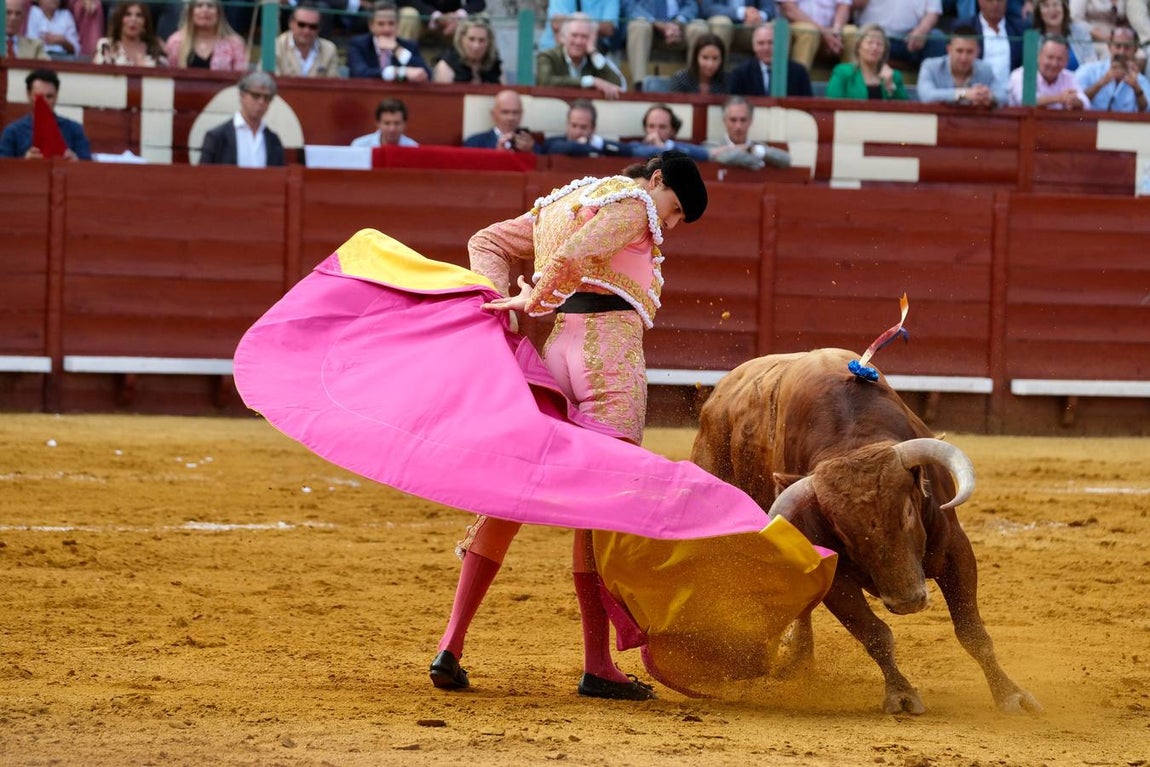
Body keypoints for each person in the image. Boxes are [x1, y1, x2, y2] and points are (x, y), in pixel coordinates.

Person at [428, 150, 709, 701]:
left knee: (512, 496)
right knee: (599, 511)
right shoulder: (634, 205)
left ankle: (451, 646)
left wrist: (498, 302)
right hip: (610, 359)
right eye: (673, 210)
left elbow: (486, 241)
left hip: (559, 349)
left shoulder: (563, 201)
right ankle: (598, 664)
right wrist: (530, 298)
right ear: (656, 181)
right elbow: (578, 256)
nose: (666, 226)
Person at [199, 71, 287, 167]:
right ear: (242, 95)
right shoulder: (217, 137)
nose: (261, 102)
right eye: (256, 95)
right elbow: (203, 177)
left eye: (267, 98)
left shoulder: (273, 140)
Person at [0, 68, 91, 160]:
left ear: (56, 96)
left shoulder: (74, 130)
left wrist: (76, 162)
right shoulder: (12, 132)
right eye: (39, 97)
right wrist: (25, 163)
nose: (44, 102)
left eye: (49, 96)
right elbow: (3, 170)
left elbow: (90, 169)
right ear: (28, 95)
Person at [535, 13, 625, 98]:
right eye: (574, 35)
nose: (578, 42)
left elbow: (618, 85)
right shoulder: (548, 56)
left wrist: (593, 52)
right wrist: (591, 81)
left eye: (584, 37)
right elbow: (545, 82)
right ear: (564, 37)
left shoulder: (593, 60)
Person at [917, 23, 1005, 105]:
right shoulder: (930, 67)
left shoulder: (986, 69)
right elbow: (926, 96)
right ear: (949, 50)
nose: (964, 58)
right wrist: (963, 94)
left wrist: (988, 96)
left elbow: (1003, 96)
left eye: (969, 52)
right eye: (959, 51)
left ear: (978, 52)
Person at [622, 0, 709, 81]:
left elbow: (691, 5)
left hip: (679, 27)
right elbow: (630, 6)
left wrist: (678, 23)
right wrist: (656, 23)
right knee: (638, 26)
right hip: (650, 27)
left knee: (699, 29)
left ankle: (696, 85)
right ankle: (639, 84)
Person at [347, 2, 431, 82]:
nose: (386, 29)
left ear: (398, 24)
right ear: (371, 26)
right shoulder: (358, 45)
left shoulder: (409, 46)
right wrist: (399, 72)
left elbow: (426, 75)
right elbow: (359, 74)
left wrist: (397, 49)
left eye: (391, 23)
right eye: (381, 24)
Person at [851, 0, 948, 69]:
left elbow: (933, 11)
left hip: (909, 39)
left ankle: (932, 91)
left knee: (937, 38)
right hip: (874, 37)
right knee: (868, 41)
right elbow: (854, 4)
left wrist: (922, 30)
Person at [728, 21, 814, 96]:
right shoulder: (741, 73)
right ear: (754, 46)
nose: (766, 48)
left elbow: (808, 105)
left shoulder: (799, 72)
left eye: (771, 42)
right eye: (761, 43)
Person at [705, 95, 791, 169]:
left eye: (743, 120)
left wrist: (752, 149)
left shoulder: (757, 147)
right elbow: (726, 157)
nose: (738, 126)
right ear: (724, 121)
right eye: (733, 120)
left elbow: (786, 159)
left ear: (750, 121)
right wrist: (751, 153)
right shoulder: (711, 145)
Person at [826, 23, 909, 99]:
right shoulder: (843, 73)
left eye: (879, 44)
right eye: (870, 42)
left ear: (884, 50)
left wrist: (889, 86)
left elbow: (906, 110)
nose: (874, 47)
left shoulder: (894, 77)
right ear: (858, 46)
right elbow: (832, 103)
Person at [1074, 26, 1150, 109]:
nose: (1121, 52)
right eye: (1118, 46)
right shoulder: (1088, 70)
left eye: (1127, 48)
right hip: (1089, 121)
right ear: (1109, 46)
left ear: (1135, 50)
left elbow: (1147, 110)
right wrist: (1102, 82)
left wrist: (1136, 88)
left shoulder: (1140, 80)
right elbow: (1074, 99)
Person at [956, 0, 1026, 89]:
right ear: (980, 1)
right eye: (990, 0)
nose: (995, 4)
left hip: (1010, 95)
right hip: (975, 95)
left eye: (1000, 1)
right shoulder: (965, 27)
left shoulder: (1019, 29)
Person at [163, 0, 248, 71]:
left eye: (210, 6)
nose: (205, 10)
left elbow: (241, 79)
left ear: (219, 13)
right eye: (199, 6)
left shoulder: (234, 43)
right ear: (190, 12)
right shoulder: (175, 41)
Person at [1008, 34, 1090, 106]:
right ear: (1038, 57)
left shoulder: (1069, 77)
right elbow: (1026, 100)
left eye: (1060, 59)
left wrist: (1075, 102)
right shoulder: (1021, 75)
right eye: (1050, 57)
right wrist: (1060, 98)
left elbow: (1085, 102)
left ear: (1066, 61)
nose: (1054, 64)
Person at [776, 0, 855, 71]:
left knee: (851, 32)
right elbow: (789, 9)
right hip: (797, 28)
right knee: (808, 31)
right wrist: (823, 32)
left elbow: (844, 6)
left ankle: (852, 82)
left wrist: (836, 32)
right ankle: (799, 81)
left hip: (831, 29)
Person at [540, 98, 630, 157]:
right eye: (574, 125)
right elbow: (556, 148)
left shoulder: (598, 145)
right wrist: (583, 146)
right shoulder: (552, 143)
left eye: (583, 127)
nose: (577, 131)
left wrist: (599, 144)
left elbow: (626, 151)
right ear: (567, 124)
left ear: (593, 128)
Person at [624, 103, 711, 162]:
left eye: (662, 127)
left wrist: (664, 148)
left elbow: (703, 154)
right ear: (645, 128)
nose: (656, 132)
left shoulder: (680, 147)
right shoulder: (635, 146)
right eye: (651, 126)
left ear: (672, 130)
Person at [93, 1, 168, 66]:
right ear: (119, 20)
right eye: (128, 14)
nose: (133, 19)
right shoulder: (106, 46)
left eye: (139, 15)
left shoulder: (156, 48)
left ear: (145, 22)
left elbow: (164, 78)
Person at [275, 3, 340, 77]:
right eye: (301, 25)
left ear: (319, 28)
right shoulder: (276, 46)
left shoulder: (329, 49)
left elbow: (333, 84)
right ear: (291, 23)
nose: (306, 31)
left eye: (313, 26)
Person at [432, 17, 503, 83]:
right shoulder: (446, 65)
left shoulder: (495, 65)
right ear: (461, 40)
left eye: (482, 40)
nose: (476, 46)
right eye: (471, 39)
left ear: (489, 42)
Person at [462, 89, 537, 152]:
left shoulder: (533, 146)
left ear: (521, 114)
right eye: (505, 112)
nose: (511, 117)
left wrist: (528, 152)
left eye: (515, 112)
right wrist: (497, 154)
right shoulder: (474, 143)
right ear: (493, 114)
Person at [1033, 0, 1097, 69]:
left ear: (1064, 7)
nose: (1052, 10)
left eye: (1056, 4)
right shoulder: (1033, 38)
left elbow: (1091, 65)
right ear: (1039, 12)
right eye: (1046, 6)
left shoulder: (1080, 31)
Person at [539, 0, 621, 52]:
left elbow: (609, 28)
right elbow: (557, 24)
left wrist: (577, 24)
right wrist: (592, 27)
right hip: (554, 49)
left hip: (591, 52)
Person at [701, 0, 775, 56]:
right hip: (722, 20)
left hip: (751, 26)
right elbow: (708, 8)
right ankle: (718, 73)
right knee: (722, 23)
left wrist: (759, 16)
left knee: (776, 26)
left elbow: (769, 8)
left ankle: (771, 73)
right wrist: (741, 13)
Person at [397, 0, 485, 46]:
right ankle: (404, 63)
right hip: (422, 20)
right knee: (408, 14)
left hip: (451, 25)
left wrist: (458, 16)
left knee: (481, 17)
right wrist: (435, 16)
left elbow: (478, 2)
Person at [350, 97, 420, 146]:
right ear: (378, 124)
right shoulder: (359, 146)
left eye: (397, 123)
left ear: (404, 124)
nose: (392, 129)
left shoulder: (414, 148)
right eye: (387, 123)